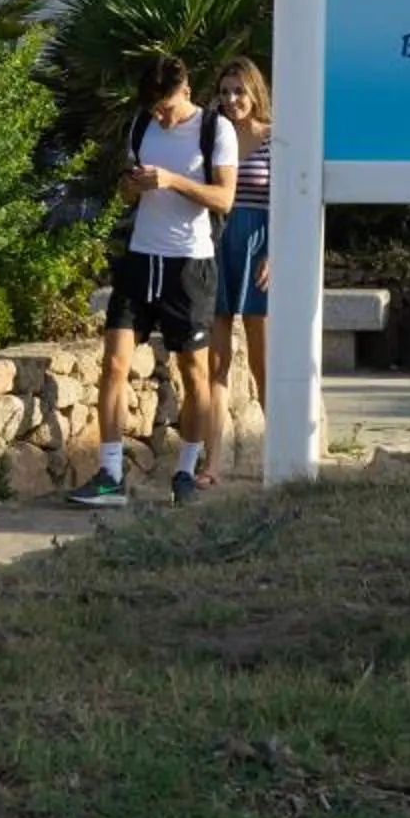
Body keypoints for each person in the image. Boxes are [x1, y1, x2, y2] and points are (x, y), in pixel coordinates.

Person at [67, 51, 237, 509]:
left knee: (194, 371)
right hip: (141, 258)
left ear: (185, 91)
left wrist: (173, 180)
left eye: (165, 107)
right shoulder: (141, 126)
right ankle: (110, 474)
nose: (160, 116)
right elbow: (125, 192)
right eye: (153, 109)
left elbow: (224, 198)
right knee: (115, 364)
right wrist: (132, 186)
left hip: (189, 265)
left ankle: (185, 470)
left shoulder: (214, 129)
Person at [207, 57, 272, 464]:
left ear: (254, 92)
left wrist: (276, 252)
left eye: (239, 91)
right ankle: (212, 462)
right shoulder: (213, 136)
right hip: (217, 245)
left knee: (262, 363)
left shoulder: (274, 137)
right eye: (225, 91)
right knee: (216, 363)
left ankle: (281, 457)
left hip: (258, 246)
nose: (232, 99)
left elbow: (290, 198)